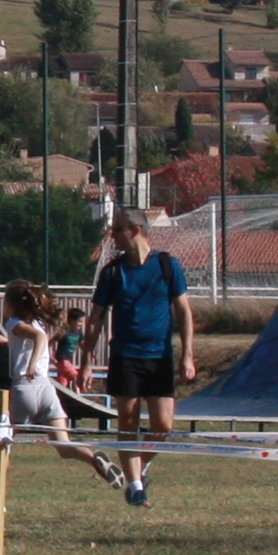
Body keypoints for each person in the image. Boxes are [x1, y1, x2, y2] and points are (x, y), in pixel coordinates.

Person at [0, 279, 121, 502]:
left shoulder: (13, 322)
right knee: (64, 445)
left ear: (12, 303)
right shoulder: (38, 323)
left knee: (3, 442)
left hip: (24, 387)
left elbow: (39, 339)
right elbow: (37, 338)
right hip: (46, 390)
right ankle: (94, 458)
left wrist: (31, 364)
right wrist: (8, 342)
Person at [88, 207, 189, 507]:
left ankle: (139, 467)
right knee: (127, 423)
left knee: (163, 427)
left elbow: (184, 311)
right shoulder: (112, 271)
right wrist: (85, 361)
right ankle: (134, 486)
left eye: (117, 229)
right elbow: (95, 318)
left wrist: (188, 356)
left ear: (135, 230)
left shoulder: (168, 265)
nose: (113, 235)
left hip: (160, 356)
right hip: (125, 356)